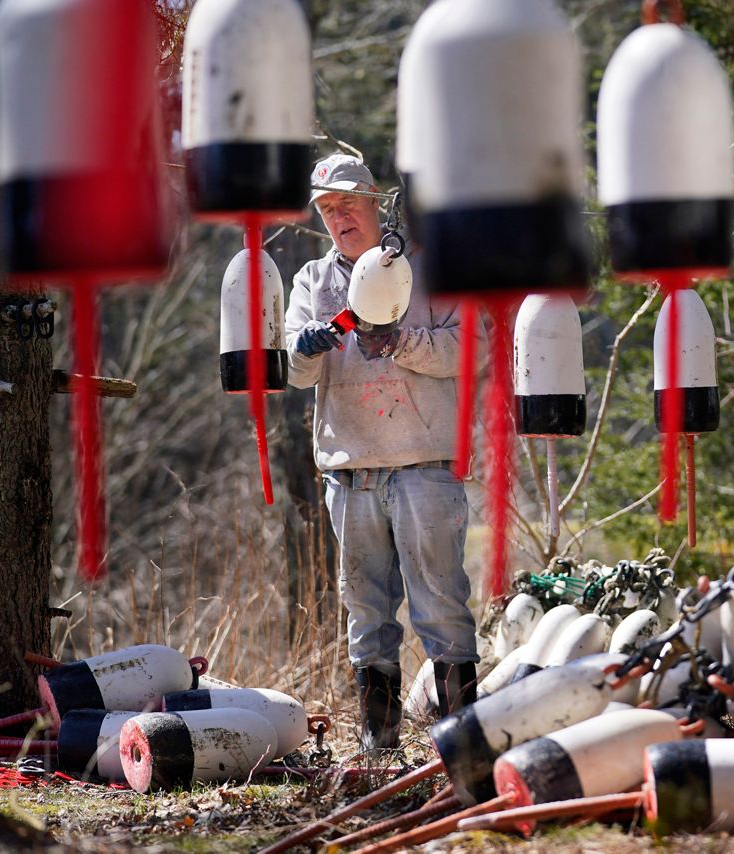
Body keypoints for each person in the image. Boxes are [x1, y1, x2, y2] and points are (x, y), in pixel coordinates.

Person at [285, 153, 480, 750]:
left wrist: (398, 341)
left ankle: (462, 744)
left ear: (376, 201)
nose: (338, 218)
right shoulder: (313, 283)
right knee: (366, 614)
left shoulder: (431, 272)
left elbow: (469, 351)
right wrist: (310, 346)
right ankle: (379, 744)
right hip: (351, 474)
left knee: (441, 607)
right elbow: (292, 371)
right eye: (326, 210)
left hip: (424, 466)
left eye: (347, 204)